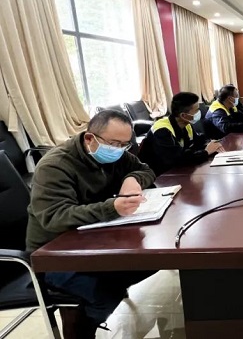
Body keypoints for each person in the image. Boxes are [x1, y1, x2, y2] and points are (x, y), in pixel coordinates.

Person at [27, 110, 157, 336]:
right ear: (90, 138)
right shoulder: (55, 166)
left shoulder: (116, 154)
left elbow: (145, 169)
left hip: (94, 240)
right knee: (105, 291)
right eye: (114, 144)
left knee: (149, 261)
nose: (119, 150)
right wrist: (112, 208)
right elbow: (55, 216)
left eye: (125, 145)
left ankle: (94, 306)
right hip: (53, 253)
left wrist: (132, 178)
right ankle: (81, 331)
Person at [138, 92, 224, 176]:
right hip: (156, 176)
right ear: (183, 115)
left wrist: (211, 144)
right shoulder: (162, 130)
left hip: (176, 171)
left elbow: (196, 143)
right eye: (196, 110)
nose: (199, 112)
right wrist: (206, 152)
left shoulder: (186, 125)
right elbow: (176, 159)